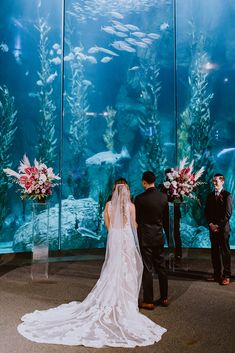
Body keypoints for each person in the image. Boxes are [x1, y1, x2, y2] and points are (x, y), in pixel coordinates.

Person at [17, 179, 167, 347]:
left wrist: (116, 233)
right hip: (127, 239)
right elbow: (134, 226)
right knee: (128, 269)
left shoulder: (109, 206)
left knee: (113, 267)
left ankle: (113, 299)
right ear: (126, 191)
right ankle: (126, 302)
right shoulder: (131, 207)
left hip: (115, 239)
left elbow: (108, 226)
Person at [135, 171, 169, 309]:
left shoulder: (139, 198)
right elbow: (166, 220)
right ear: (154, 181)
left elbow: (136, 219)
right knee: (161, 268)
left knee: (148, 269)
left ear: (144, 182)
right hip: (158, 237)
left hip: (145, 238)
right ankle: (164, 298)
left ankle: (148, 301)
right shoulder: (163, 197)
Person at [205, 173, 233, 285]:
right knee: (214, 252)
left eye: (216, 181)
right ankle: (217, 274)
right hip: (212, 229)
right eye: (213, 181)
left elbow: (228, 213)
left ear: (222, 182)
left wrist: (218, 226)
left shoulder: (227, 195)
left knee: (225, 252)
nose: (214, 183)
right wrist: (211, 224)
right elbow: (206, 211)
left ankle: (227, 275)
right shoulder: (210, 195)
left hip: (223, 229)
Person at [159, 168, 182, 260]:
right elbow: (160, 198)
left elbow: (180, 200)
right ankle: (170, 252)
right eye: (168, 174)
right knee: (168, 233)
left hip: (175, 213)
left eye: (171, 174)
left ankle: (178, 254)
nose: (169, 176)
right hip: (165, 214)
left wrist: (176, 196)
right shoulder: (162, 186)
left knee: (176, 233)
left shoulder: (179, 186)